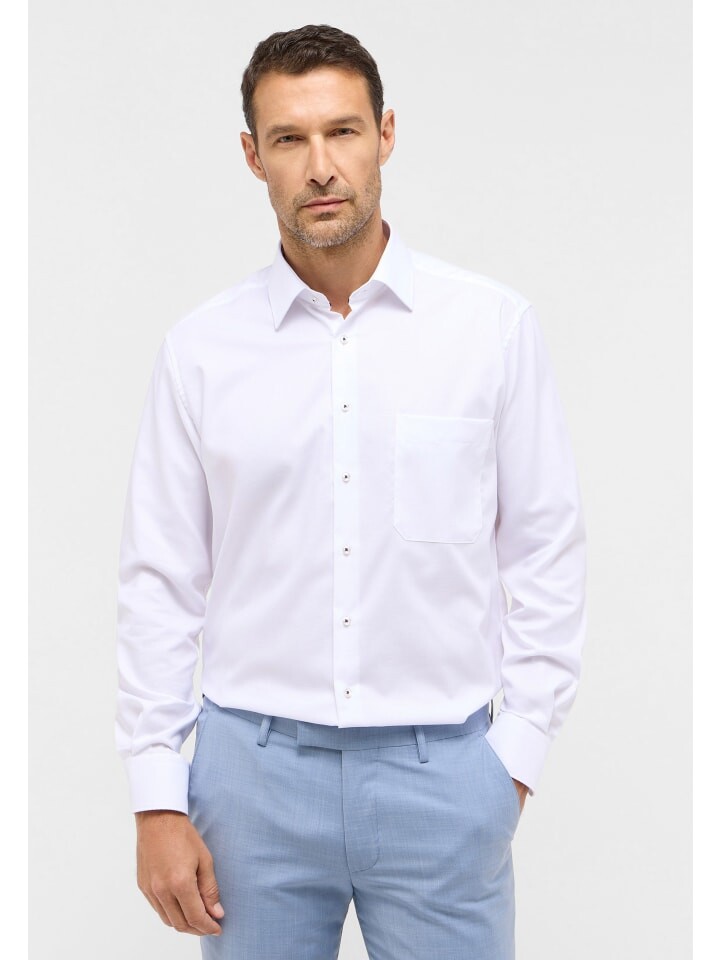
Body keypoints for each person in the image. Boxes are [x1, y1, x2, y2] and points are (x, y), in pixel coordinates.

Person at [115, 23, 587, 960]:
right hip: (249, 782)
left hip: (443, 777)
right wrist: (157, 796)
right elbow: (160, 578)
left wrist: (512, 763)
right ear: (253, 156)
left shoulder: (488, 329)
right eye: (289, 139)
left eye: (343, 131)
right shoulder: (202, 351)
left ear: (386, 135)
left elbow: (545, 549)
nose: (321, 166)